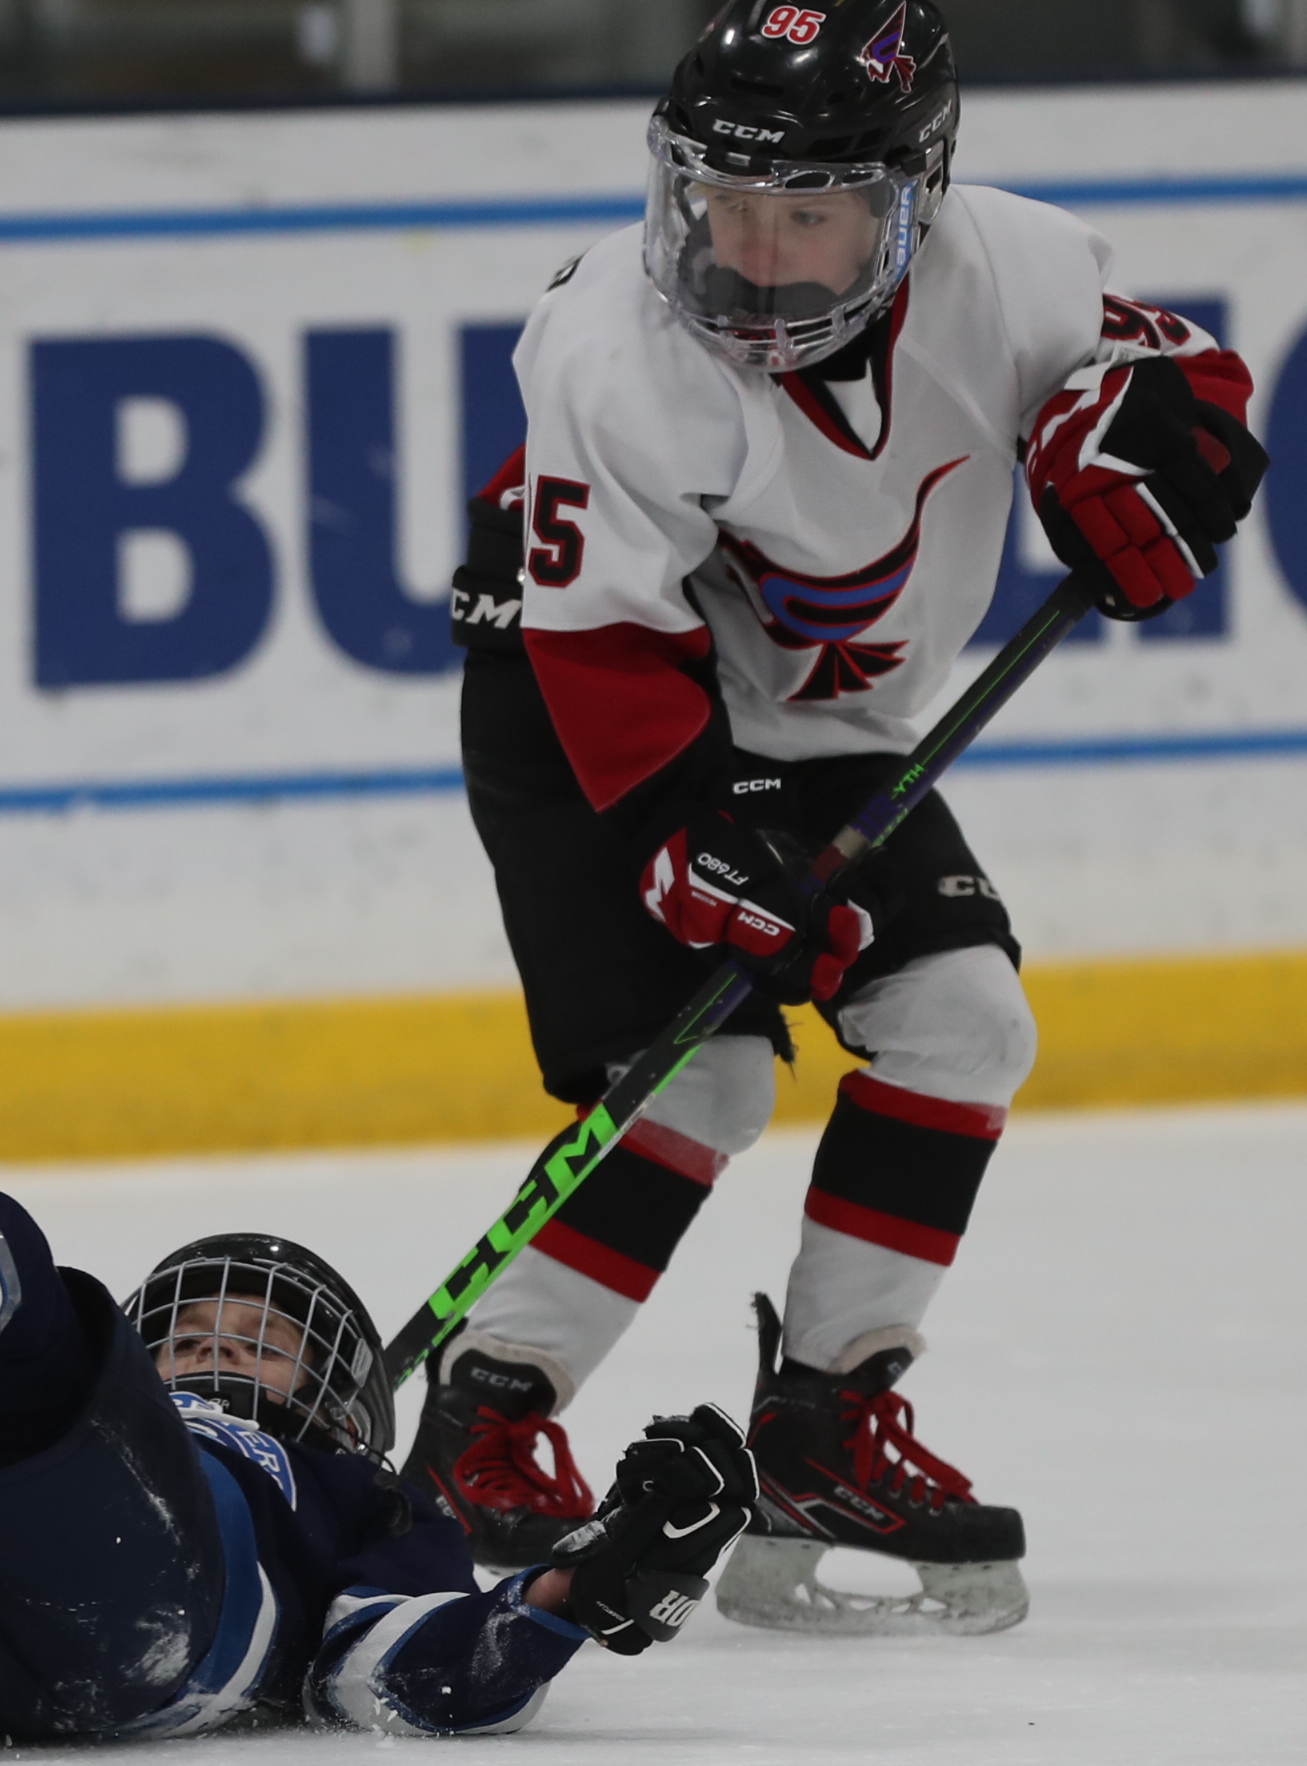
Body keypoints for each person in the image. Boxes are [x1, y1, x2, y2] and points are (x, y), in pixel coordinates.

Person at [417, 0, 1262, 1637]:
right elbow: (601, 638)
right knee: (701, 1071)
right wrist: (687, 829)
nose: (749, 251)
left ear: (910, 200)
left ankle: (823, 1429)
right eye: (721, 202)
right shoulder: (607, 343)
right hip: (592, 699)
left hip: (825, 725)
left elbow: (1177, 372)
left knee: (964, 1020)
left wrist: (1157, 440)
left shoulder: (1010, 267)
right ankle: (486, 1417)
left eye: (804, 214)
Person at [0, 1081, 755, 1741]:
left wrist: (567, 1598)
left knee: (12, 1257)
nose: (217, 1347)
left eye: (263, 1342)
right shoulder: (129, 1426)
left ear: (333, 1401)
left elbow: (388, 1671)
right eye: (188, 1333)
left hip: (136, 1615)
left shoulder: (355, 1491)